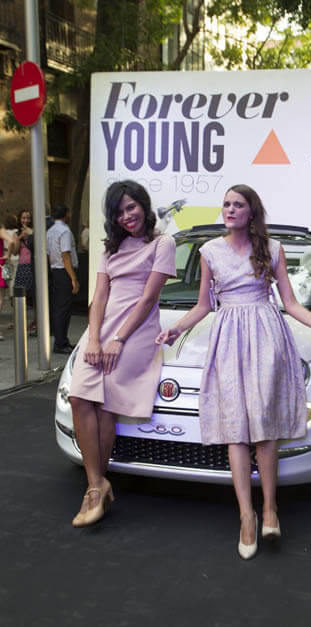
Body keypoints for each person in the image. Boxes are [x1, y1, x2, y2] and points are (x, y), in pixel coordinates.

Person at [156, 184, 311, 560]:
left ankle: (270, 509)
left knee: (264, 429)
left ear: (251, 212)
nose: (229, 209)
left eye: (238, 204)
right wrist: (176, 328)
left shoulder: (272, 250)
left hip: (265, 337)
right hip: (228, 338)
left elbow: (290, 303)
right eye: (226, 204)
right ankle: (247, 516)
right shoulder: (210, 251)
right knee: (235, 431)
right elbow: (204, 305)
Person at [68, 180, 176, 528]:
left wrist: (118, 339)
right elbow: (99, 296)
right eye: (119, 212)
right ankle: (97, 484)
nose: (127, 216)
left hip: (136, 331)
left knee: (105, 402)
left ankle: (94, 492)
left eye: (131, 207)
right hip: (103, 329)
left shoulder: (163, 243)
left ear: (143, 205)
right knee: (79, 398)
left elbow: (148, 298)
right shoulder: (109, 248)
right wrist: (94, 339)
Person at [47, 204, 80, 353]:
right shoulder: (65, 231)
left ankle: (62, 341)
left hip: (56, 270)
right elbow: (65, 254)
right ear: (66, 213)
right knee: (63, 309)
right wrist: (73, 278)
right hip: (65, 271)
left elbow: (49, 254)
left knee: (59, 307)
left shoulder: (50, 231)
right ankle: (60, 343)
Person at [9, 210, 37, 334]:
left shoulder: (35, 231)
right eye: (23, 218)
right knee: (19, 295)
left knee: (35, 296)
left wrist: (31, 235)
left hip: (33, 265)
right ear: (20, 219)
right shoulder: (17, 233)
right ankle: (20, 321)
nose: (25, 220)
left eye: (28, 218)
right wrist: (19, 238)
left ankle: (36, 322)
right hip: (22, 267)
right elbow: (15, 252)